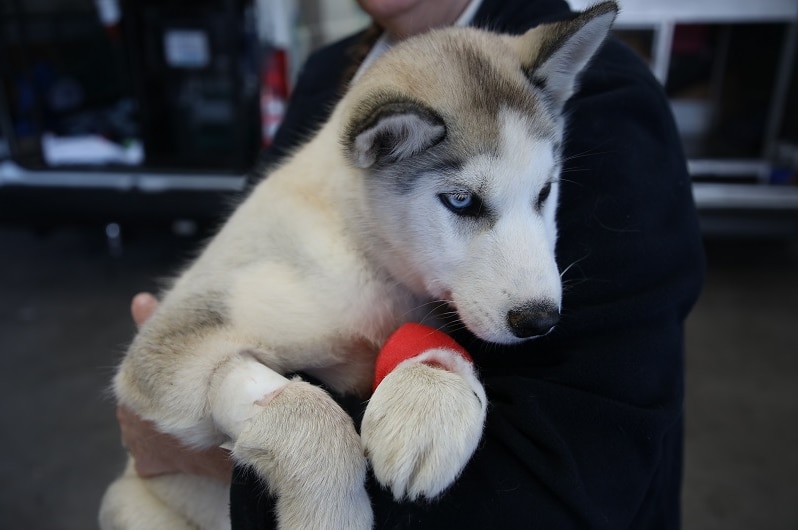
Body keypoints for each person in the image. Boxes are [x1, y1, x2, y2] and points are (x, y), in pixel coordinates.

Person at [116, 0, 706, 528]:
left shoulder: (606, 99)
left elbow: (578, 466)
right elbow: (181, 346)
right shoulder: (330, 71)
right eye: (464, 201)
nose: (536, 284)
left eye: (543, 192)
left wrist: (225, 462)